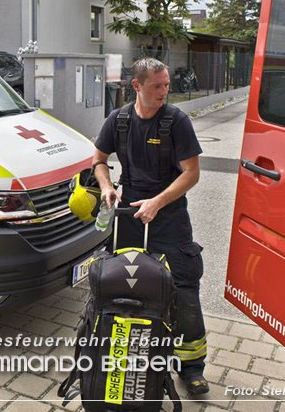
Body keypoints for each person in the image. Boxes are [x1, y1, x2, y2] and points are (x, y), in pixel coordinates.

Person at [92, 57, 209, 396]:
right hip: (130, 217)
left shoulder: (177, 122)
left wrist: (158, 202)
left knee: (184, 287)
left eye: (167, 85)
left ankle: (191, 368)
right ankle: (130, 354)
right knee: (125, 285)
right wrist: (106, 187)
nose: (164, 92)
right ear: (137, 86)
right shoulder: (119, 120)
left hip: (169, 218)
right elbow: (98, 160)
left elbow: (192, 173)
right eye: (157, 86)